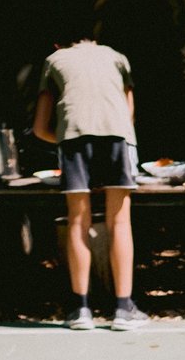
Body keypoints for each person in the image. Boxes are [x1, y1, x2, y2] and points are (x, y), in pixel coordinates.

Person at [32, 35, 146, 329]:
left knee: (77, 222)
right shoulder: (117, 56)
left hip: (73, 139)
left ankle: (80, 310)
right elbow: (127, 115)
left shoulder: (54, 60)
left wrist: (67, 140)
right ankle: (123, 309)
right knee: (119, 223)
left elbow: (39, 127)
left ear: (59, 43)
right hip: (117, 137)